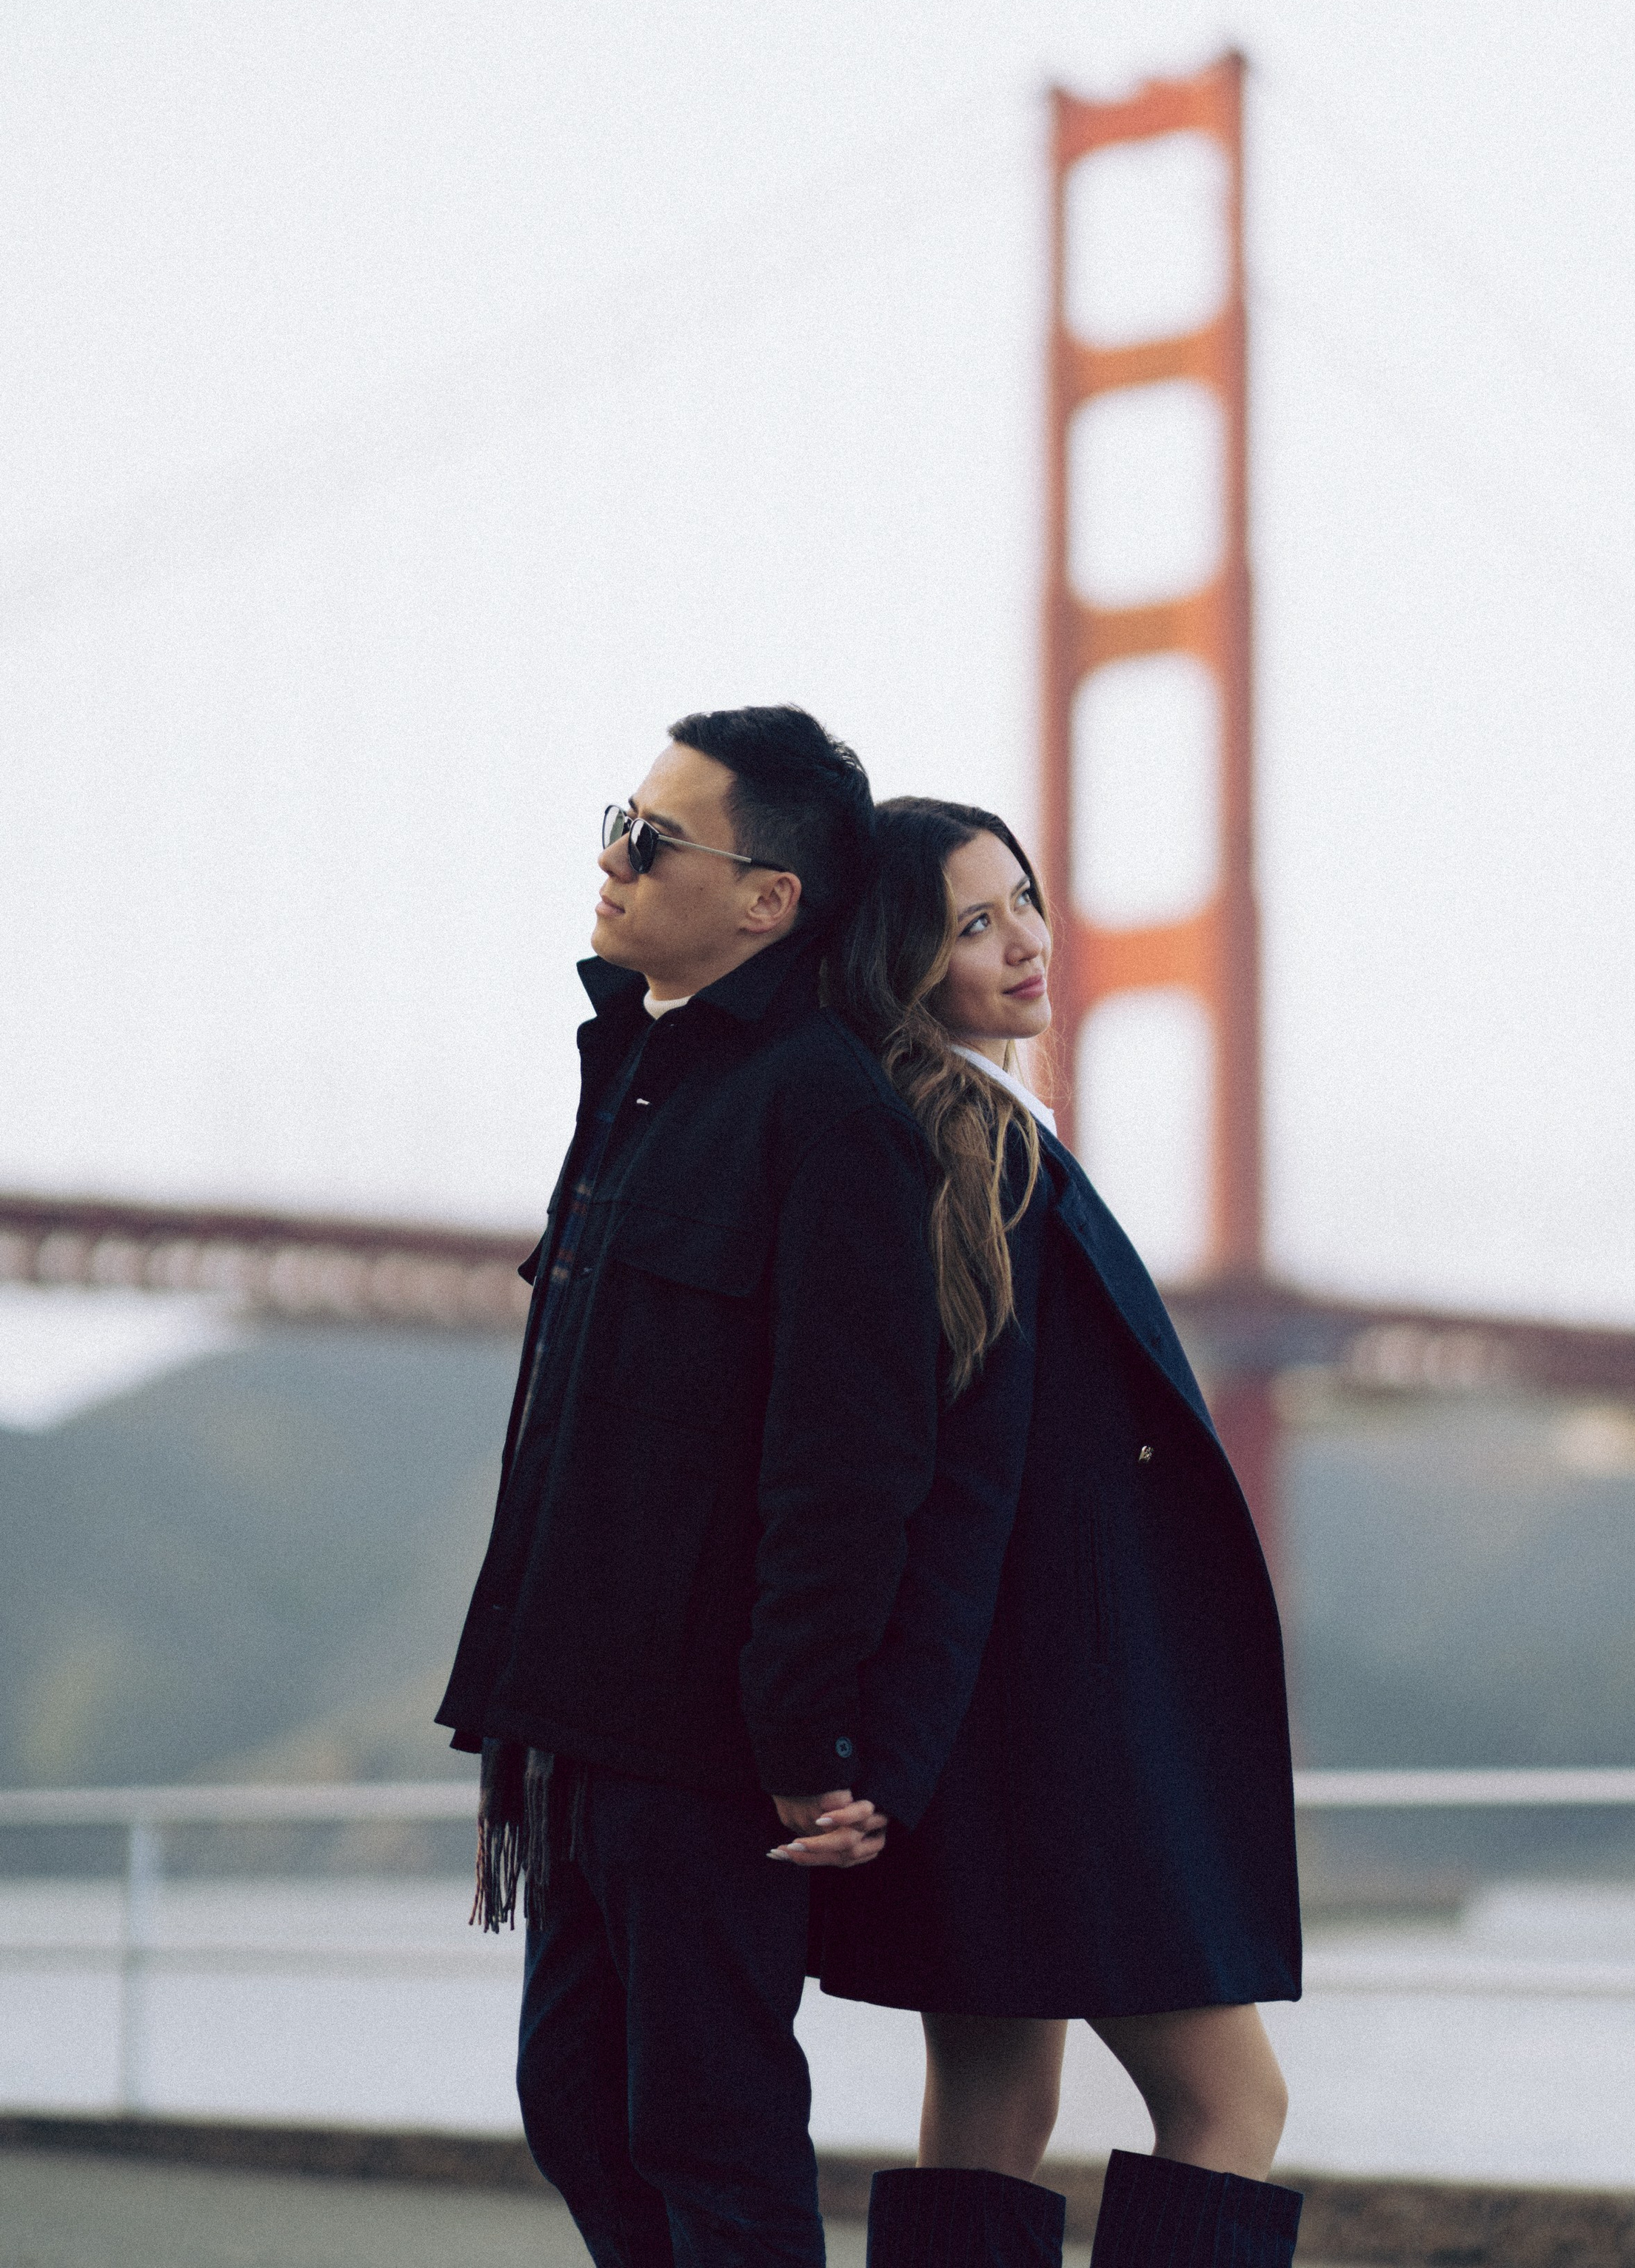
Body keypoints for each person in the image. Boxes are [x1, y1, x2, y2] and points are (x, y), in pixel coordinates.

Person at [437, 708, 961, 2268]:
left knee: (709, 2138)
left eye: (653, 836)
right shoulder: (638, 1088)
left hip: (711, 1745)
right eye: (621, 816)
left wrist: (800, 1734)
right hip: (580, 1719)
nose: (613, 856)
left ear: (766, 900)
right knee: (579, 2111)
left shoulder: (828, 1119)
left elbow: (847, 1456)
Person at [803, 797, 1304, 2268]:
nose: (1021, 938)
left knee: (989, 2088)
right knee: (1228, 2107)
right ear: (896, 959)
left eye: (1021, 899)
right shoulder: (978, 1149)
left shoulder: (934, 1132)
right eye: (969, 923)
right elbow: (965, 1486)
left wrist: (890, 1746)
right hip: (1062, 1720)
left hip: (973, 1723)